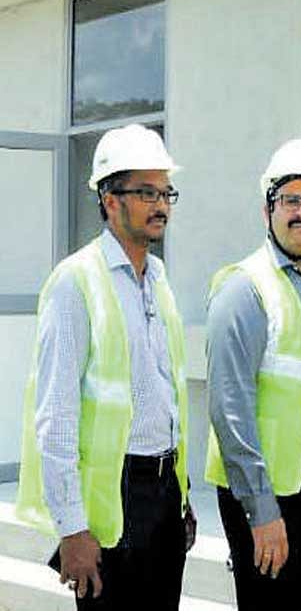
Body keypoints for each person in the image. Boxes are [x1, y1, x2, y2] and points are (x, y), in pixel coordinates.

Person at [16, 124, 193, 610]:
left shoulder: (157, 279)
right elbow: (55, 417)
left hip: (163, 494)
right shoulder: (76, 283)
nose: (161, 204)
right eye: (146, 192)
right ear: (110, 200)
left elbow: (167, 395)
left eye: (166, 192)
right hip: (113, 499)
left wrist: (182, 497)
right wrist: (72, 528)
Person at [205, 139, 301, 609]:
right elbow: (229, 409)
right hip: (275, 493)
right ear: (267, 210)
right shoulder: (244, 288)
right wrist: (261, 510)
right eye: (290, 200)